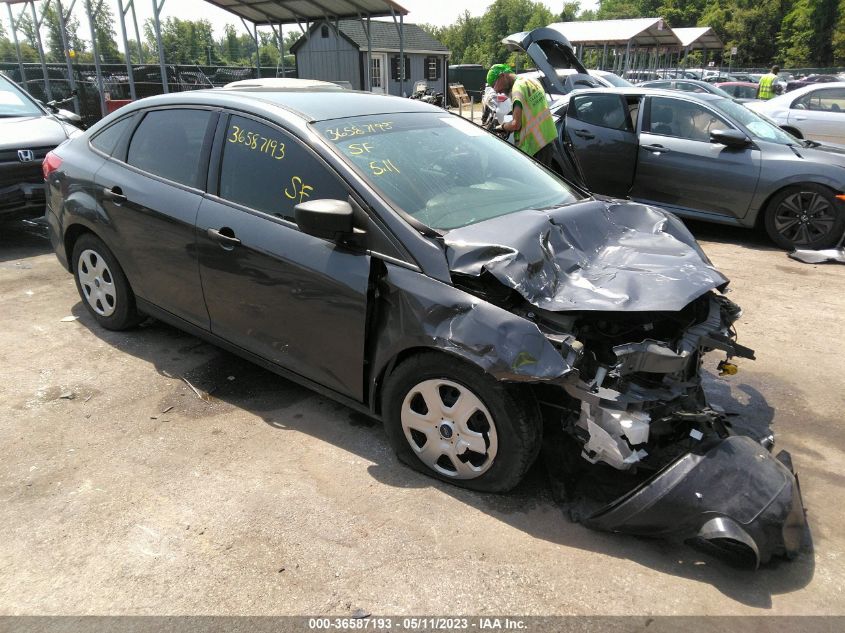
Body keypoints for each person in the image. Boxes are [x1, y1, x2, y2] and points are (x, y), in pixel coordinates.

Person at [486, 63, 556, 168]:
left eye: (495, 85)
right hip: (548, 139)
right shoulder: (531, 81)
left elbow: (515, 124)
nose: (497, 91)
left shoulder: (517, 90)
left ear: (502, 76)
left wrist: (502, 126)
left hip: (535, 146)